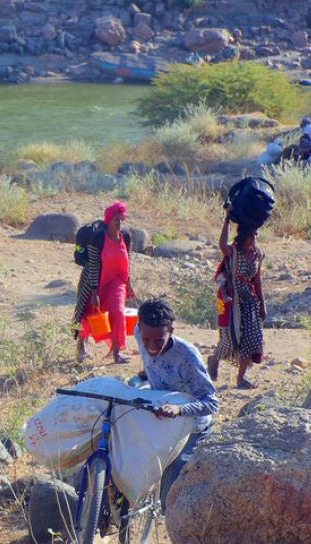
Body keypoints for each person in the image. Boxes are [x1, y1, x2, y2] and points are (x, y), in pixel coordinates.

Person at [134, 298, 219, 509]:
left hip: (190, 425)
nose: (152, 347)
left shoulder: (187, 357)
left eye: (158, 341)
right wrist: (147, 372)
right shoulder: (139, 333)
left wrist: (179, 409)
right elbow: (151, 357)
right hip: (160, 412)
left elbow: (211, 402)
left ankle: (168, 515)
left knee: (172, 481)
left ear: (171, 330)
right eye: (147, 340)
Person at [207, 207, 266, 389]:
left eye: (256, 236)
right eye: (251, 236)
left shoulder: (258, 255)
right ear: (243, 237)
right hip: (232, 301)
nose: (254, 240)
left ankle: (240, 379)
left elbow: (257, 281)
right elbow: (222, 245)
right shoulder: (233, 252)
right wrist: (227, 219)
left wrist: (263, 305)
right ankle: (214, 359)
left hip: (250, 302)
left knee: (252, 339)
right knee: (231, 340)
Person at [73, 201, 136, 364]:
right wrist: (94, 292)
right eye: (117, 219)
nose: (120, 223)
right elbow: (93, 265)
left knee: (118, 313)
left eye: (122, 219)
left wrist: (128, 283)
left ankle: (117, 353)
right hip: (96, 282)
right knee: (87, 316)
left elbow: (128, 261)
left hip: (117, 282)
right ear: (109, 220)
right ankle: (81, 346)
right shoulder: (98, 239)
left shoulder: (126, 236)